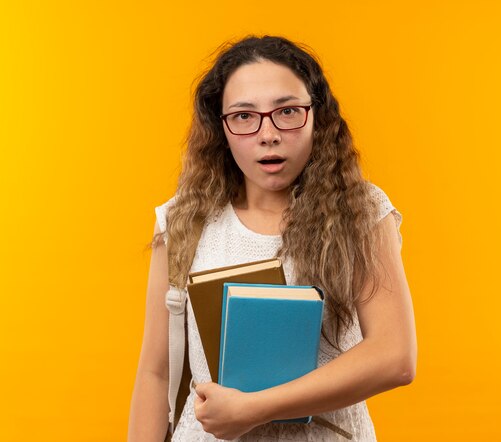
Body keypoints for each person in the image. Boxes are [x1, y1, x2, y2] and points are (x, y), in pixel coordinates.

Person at [128, 35, 417, 441]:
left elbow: (393, 356)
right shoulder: (182, 220)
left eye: (287, 111)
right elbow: (156, 374)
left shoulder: (360, 211)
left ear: (318, 117)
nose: (268, 134)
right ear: (221, 126)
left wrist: (253, 408)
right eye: (244, 116)